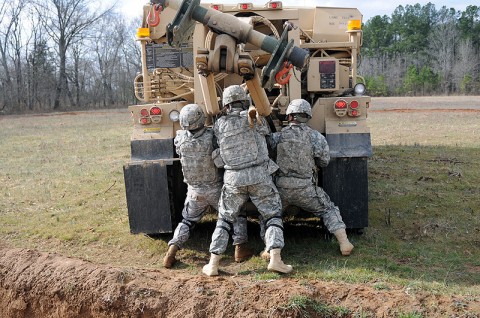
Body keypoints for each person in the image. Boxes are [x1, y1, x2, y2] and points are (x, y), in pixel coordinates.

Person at [202, 85, 292, 276]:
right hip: (259, 175)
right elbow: (268, 136)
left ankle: (213, 264)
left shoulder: (220, 124)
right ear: (244, 100)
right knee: (272, 215)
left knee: (225, 219)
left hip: (233, 178)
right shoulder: (255, 118)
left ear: (226, 104)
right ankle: (276, 258)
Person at [163, 103, 253, 268]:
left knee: (187, 221)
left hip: (194, 191)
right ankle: (240, 248)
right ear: (201, 119)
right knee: (237, 213)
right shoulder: (211, 136)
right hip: (216, 188)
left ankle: (172, 251)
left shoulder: (179, 138)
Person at [267, 99, 354, 256]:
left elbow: (267, 153)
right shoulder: (316, 137)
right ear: (307, 117)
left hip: (281, 189)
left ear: (289, 116)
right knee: (328, 209)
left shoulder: (278, 137)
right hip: (306, 189)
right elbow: (324, 161)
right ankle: (344, 243)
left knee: (270, 215)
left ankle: (269, 249)